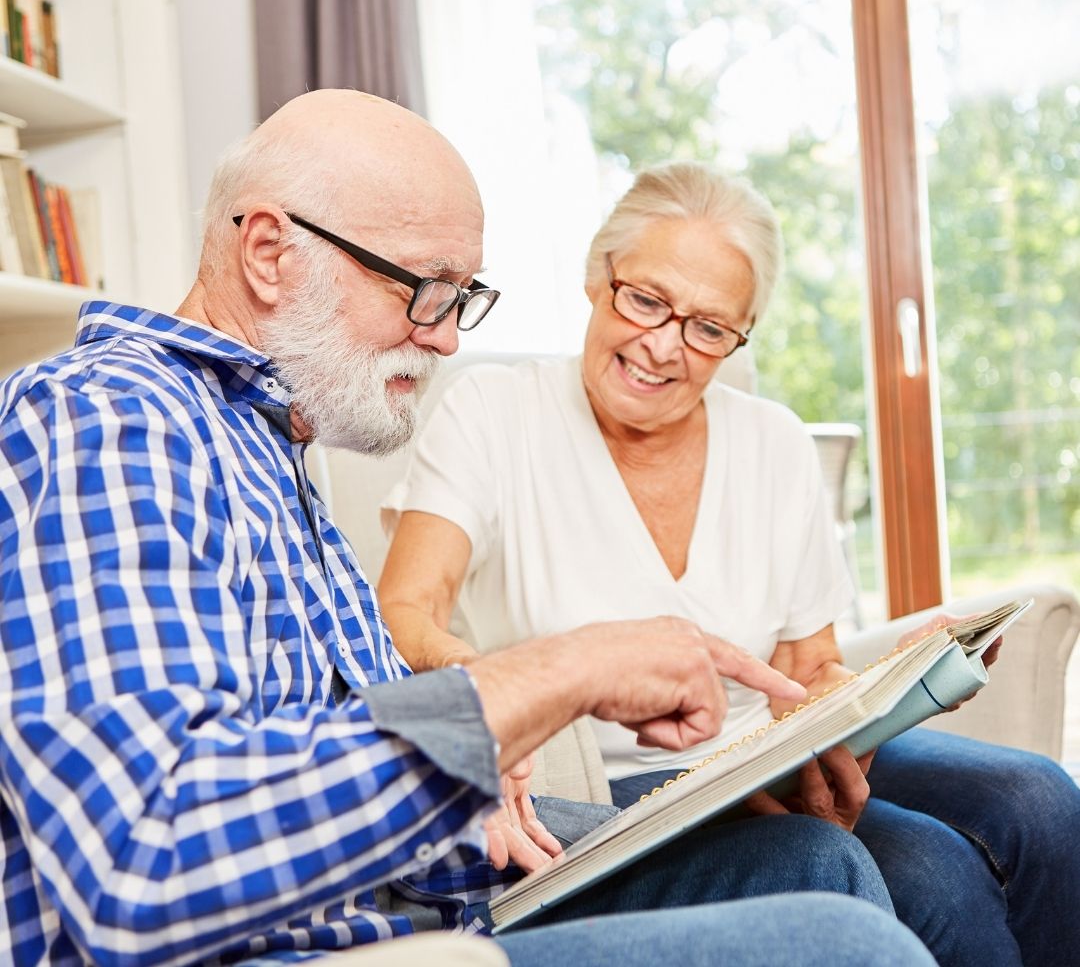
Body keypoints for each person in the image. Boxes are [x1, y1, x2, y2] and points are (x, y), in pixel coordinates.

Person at [0, 93, 935, 967]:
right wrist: (559, 675)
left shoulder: (262, 440)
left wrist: (467, 785)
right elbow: (137, 861)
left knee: (826, 864)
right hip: (325, 947)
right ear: (271, 254)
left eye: (459, 295)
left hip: (418, 890)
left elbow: (301, 747)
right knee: (849, 945)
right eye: (424, 287)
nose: (446, 336)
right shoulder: (106, 418)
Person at [379, 160, 1080, 967]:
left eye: (709, 328)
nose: (662, 346)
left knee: (1039, 799)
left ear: (739, 336)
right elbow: (404, 612)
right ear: (595, 278)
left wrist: (886, 691)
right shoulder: (493, 413)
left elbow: (807, 667)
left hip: (765, 756)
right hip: (615, 787)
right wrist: (491, 713)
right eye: (645, 300)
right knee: (937, 875)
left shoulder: (774, 441)